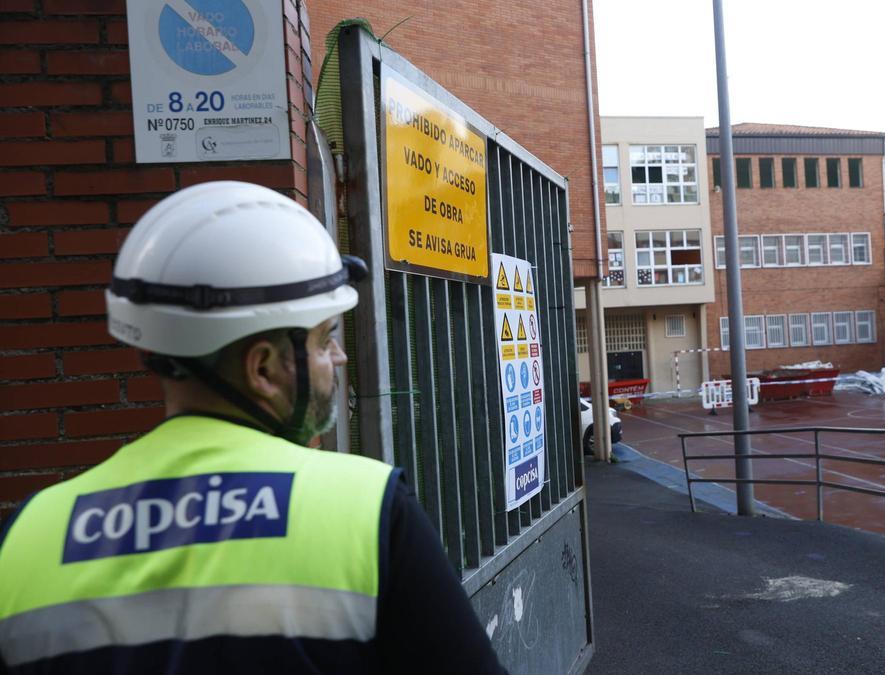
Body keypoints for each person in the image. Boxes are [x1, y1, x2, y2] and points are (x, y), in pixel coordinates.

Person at [0, 182, 506, 674]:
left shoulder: (28, 534)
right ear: (262, 369)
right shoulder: (366, 510)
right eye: (326, 337)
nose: (339, 355)